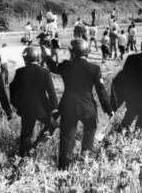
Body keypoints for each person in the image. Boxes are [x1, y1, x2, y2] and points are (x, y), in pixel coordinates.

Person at [43, 39, 113, 170]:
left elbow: (52, 67)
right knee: (89, 136)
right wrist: (109, 109)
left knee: (67, 139)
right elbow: (101, 91)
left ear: (72, 52)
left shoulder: (66, 65)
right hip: (88, 107)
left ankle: (63, 168)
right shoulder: (94, 69)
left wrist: (47, 55)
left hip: (68, 106)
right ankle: (85, 164)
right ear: (87, 52)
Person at [9, 47, 58, 157]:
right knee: (53, 125)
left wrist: (17, 105)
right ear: (38, 57)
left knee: (26, 134)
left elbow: (12, 91)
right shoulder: (44, 71)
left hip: (25, 108)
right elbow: (51, 92)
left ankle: (22, 157)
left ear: (25, 58)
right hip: (42, 108)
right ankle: (36, 147)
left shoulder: (19, 72)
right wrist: (55, 108)